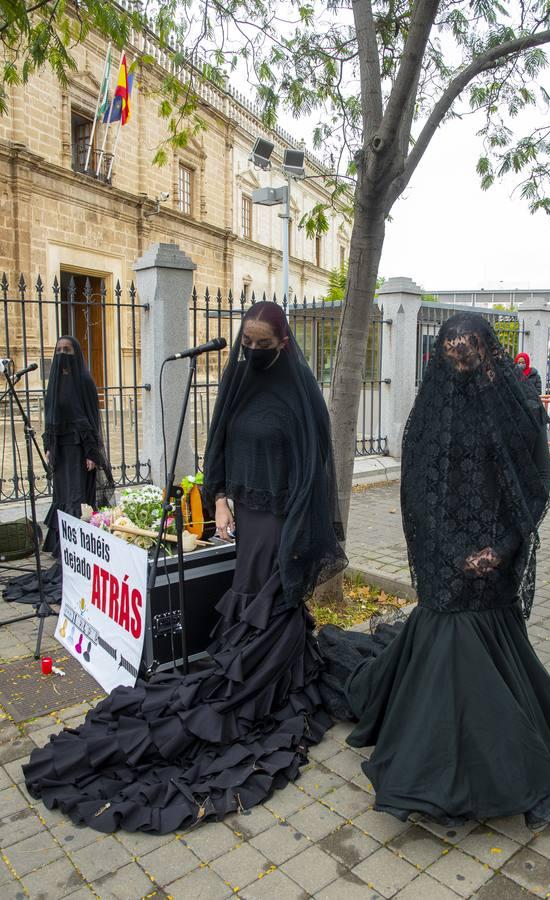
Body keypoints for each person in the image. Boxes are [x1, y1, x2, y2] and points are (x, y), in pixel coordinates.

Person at [23, 302, 347, 834]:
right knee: (248, 591)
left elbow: (316, 467)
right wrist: (218, 499)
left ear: (284, 343)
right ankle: (274, 669)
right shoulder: (238, 379)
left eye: (264, 343)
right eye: (247, 341)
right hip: (244, 516)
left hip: (282, 519)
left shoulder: (302, 391)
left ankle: (276, 678)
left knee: (271, 597)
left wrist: (294, 532)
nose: (253, 350)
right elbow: (218, 442)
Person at [320, 312, 550, 831]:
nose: (461, 358)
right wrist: (451, 554)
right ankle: (477, 776)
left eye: (470, 349)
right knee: (457, 641)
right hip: (446, 561)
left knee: (477, 640)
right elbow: (417, 494)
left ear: (490, 350)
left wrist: (502, 549)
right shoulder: (430, 413)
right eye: (451, 351)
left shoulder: (519, 408)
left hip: (495, 559)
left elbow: (535, 485)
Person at [42, 335, 113, 554]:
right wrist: (48, 444)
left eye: (68, 350)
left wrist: (91, 452)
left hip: (79, 450)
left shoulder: (84, 381)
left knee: (76, 496)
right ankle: (60, 544)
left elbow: (91, 420)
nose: (62, 354)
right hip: (60, 450)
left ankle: (77, 545)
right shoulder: (54, 383)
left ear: (76, 354)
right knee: (62, 495)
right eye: (59, 350)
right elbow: (50, 417)